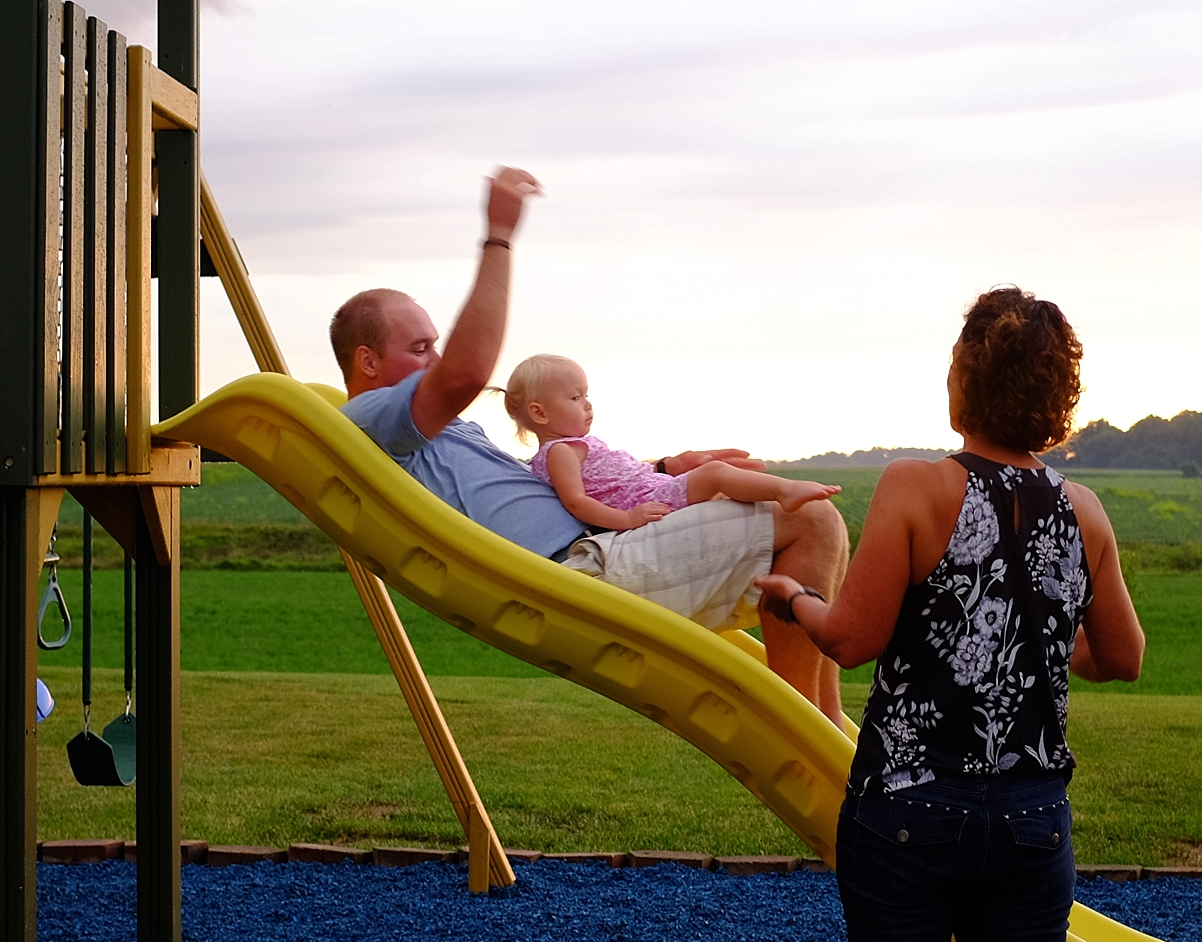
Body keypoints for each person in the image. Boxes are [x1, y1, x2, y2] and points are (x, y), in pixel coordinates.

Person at [752, 285, 1146, 942]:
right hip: (1030, 818)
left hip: (905, 812)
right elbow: (1123, 656)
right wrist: (1027, 637)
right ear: (1060, 399)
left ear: (960, 379)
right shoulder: (1084, 511)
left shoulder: (917, 486)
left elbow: (848, 638)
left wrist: (786, 598)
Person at [332, 168, 851, 722]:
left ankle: (828, 729)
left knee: (802, 518)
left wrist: (667, 468)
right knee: (810, 521)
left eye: (435, 346)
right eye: (419, 348)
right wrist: (499, 235)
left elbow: (553, 479)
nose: (434, 361)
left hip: (595, 552)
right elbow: (463, 374)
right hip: (577, 573)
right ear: (367, 361)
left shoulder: (430, 433)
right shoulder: (372, 418)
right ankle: (805, 724)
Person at [502, 353, 842, 532]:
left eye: (586, 395)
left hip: (651, 490)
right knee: (715, 473)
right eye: (575, 397)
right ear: (540, 413)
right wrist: (629, 519)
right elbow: (576, 503)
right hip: (645, 502)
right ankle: (785, 491)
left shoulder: (573, 448)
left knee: (719, 486)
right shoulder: (560, 452)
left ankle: (772, 493)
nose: (587, 405)